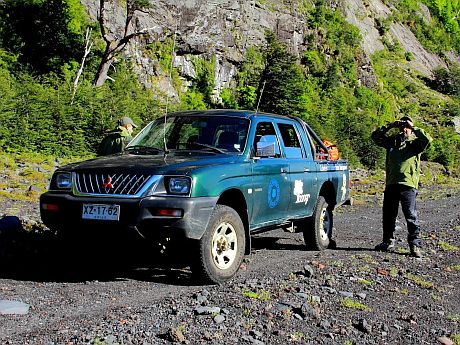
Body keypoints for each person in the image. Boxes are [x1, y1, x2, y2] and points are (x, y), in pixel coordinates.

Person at [371, 115, 432, 258]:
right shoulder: (392, 142)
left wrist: (413, 127)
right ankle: (388, 241)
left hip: (408, 185)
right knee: (388, 215)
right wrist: (391, 125)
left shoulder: (416, 144)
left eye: (406, 127)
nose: (404, 129)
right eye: (402, 126)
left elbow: (428, 139)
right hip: (392, 183)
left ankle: (415, 245)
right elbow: (375, 137)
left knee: (411, 215)